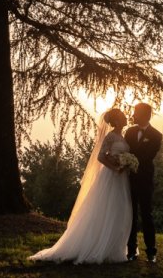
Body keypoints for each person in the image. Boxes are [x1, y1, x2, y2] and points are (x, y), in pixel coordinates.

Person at [29, 108, 133, 264]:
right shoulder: (110, 136)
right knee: (107, 208)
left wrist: (127, 163)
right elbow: (100, 156)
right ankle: (97, 246)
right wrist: (116, 167)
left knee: (118, 209)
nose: (126, 119)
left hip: (121, 178)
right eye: (124, 117)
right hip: (111, 176)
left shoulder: (121, 136)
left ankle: (114, 247)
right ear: (117, 120)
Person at [125, 102, 162, 263]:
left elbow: (148, 157)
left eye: (136, 112)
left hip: (145, 179)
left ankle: (151, 252)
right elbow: (125, 150)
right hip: (129, 179)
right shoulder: (130, 132)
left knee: (147, 215)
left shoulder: (156, 135)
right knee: (131, 215)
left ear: (146, 115)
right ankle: (131, 250)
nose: (134, 115)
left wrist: (132, 159)